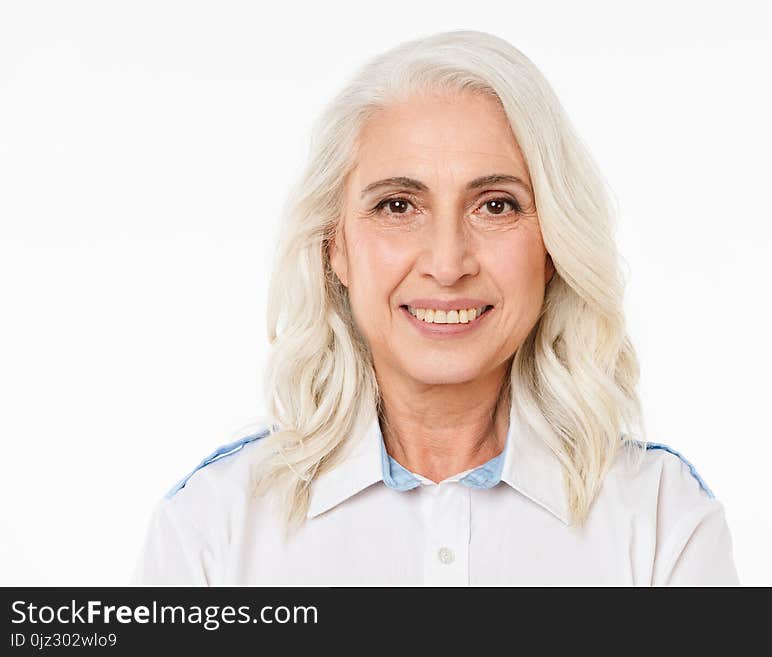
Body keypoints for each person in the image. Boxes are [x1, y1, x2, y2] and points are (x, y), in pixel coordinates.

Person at [131, 30, 738, 586]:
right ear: (334, 246)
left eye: (495, 205)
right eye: (398, 206)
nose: (448, 265)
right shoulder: (212, 527)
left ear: (554, 244)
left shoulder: (662, 521)